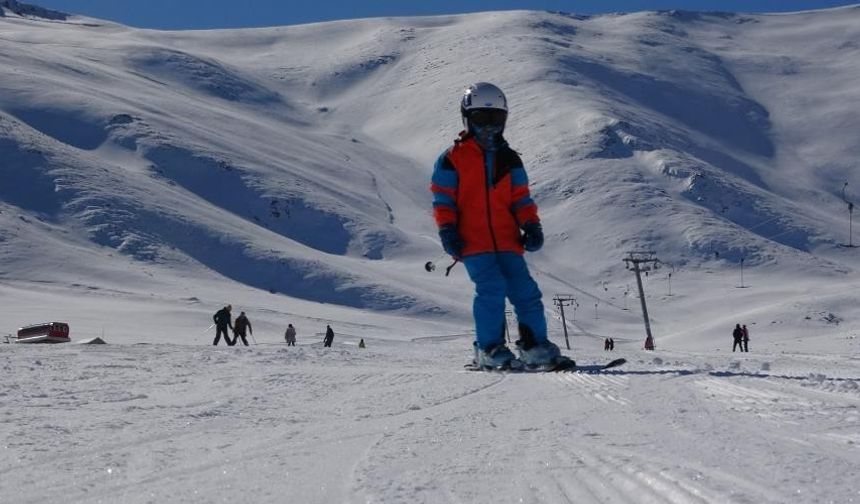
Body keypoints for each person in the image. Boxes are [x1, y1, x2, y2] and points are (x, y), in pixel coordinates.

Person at [430, 82, 571, 371]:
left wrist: (531, 225)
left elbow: (520, 199)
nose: (489, 128)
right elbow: (443, 200)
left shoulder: (510, 158)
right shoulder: (452, 159)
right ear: (468, 119)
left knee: (525, 291)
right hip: (473, 242)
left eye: (495, 120)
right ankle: (489, 349)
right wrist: (448, 231)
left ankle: (535, 348)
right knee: (491, 288)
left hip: (508, 241)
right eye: (481, 119)